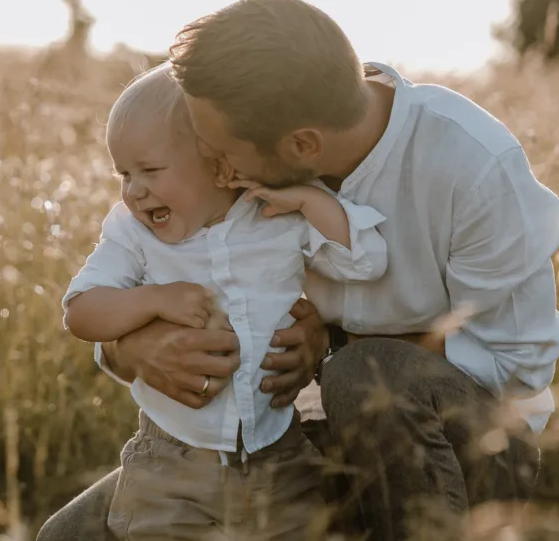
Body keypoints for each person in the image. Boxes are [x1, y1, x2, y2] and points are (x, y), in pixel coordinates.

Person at [37, 0, 559, 541]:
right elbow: (181, 275)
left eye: (218, 148)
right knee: (70, 534)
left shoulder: (472, 168)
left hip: (463, 445)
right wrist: (132, 346)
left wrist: (333, 347)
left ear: (302, 146)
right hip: (297, 432)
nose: (215, 164)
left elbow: (512, 362)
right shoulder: (269, 105)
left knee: (364, 376)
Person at [60, 64, 389, 540]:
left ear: (222, 165)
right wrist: (151, 300)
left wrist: (309, 201)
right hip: (171, 461)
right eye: (124, 174)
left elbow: (365, 262)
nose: (134, 190)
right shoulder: (132, 234)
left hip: (277, 453)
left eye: (150, 170)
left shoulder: (276, 217)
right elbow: (81, 311)